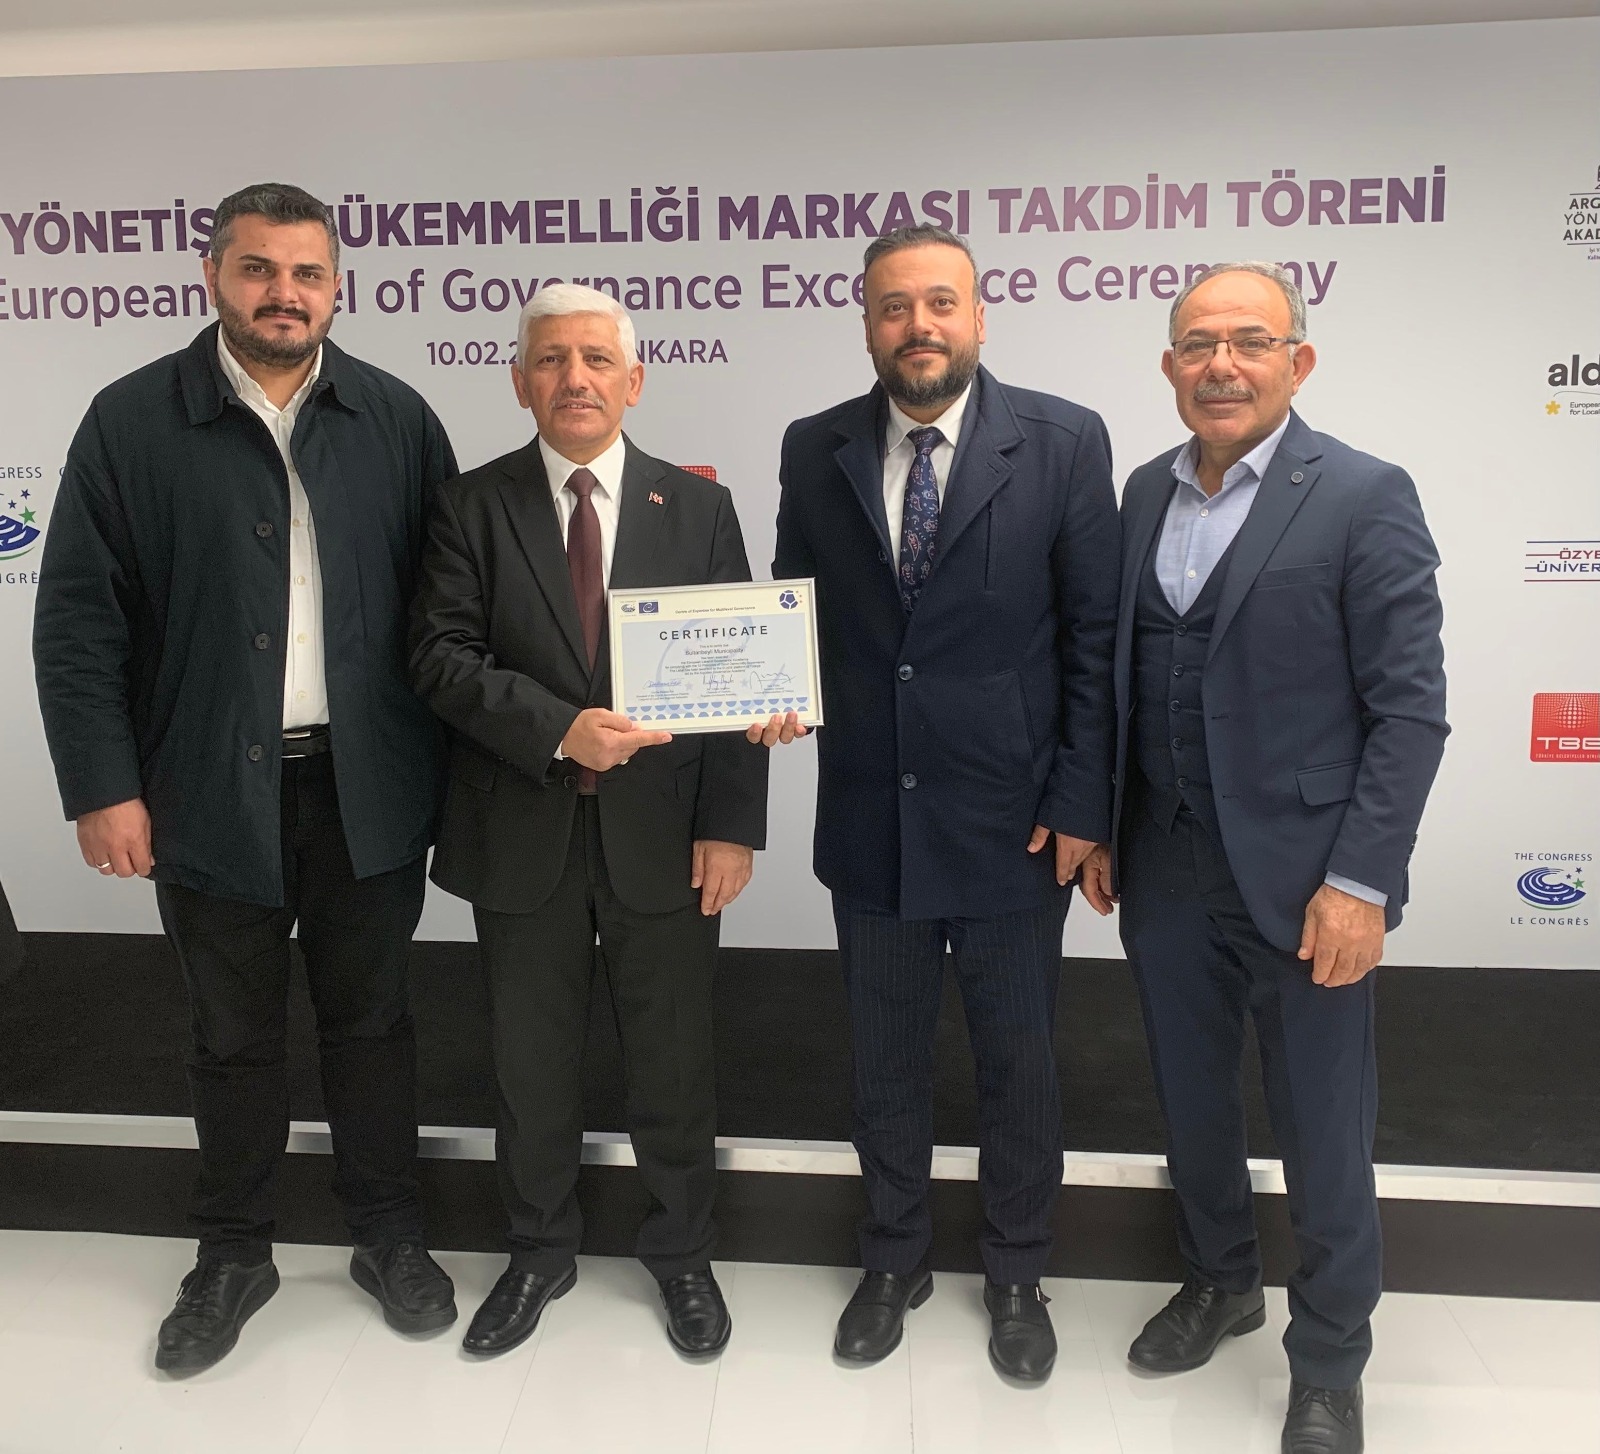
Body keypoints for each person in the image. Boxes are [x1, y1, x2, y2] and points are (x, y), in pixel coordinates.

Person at [32, 182, 459, 1375]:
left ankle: (388, 1232)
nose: (285, 293)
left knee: (374, 1022)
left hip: (367, 788)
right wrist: (102, 785)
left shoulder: (395, 418)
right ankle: (232, 1250)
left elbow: (451, 612)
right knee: (229, 1035)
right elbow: (77, 622)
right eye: (260, 269)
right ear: (213, 276)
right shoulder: (131, 420)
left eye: (307, 273)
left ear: (338, 288)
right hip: (205, 791)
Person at [1079, 261, 1448, 1454]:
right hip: (1163, 864)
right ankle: (1219, 1278)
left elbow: (1408, 711)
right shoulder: (1142, 491)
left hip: (1308, 879)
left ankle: (1329, 1357)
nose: (1221, 363)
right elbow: (1122, 676)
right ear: (1169, 366)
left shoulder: (1362, 494)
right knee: (1191, 1102)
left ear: (1298, 360)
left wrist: (1360, 881)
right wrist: (1101, 820)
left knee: (1323, 1129)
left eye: (1249, 340)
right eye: (1198, 343)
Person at [756, 226, 1120, 1381]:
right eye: (893, 306)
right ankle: (894, 1256)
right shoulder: (813, 443)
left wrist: (1082, 802)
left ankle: (1015, 1267)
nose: (918, 325)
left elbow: (1094, 637)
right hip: (870, 815)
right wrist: (771, 683)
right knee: (883, 1063)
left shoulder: (1062, 439)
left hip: (1017, 825)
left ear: (978, 315)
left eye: (939, 303)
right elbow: (795, 601)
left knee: (1019, 1063)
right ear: (867, 322)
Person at [409, 283, 768, 1360]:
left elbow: (738, 679)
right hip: (521, 834)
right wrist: (561, 728)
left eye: (597, 359)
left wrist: (731, 825)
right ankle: (537, 1252)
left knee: (674, 1060)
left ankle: (683, 1253)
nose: (575, 378)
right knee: (529, 1064)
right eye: (553, 360)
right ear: (520, 381)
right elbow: (438, 657)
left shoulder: (697, 508)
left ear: (634, 380)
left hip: (667, 837)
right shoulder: (467, 505)